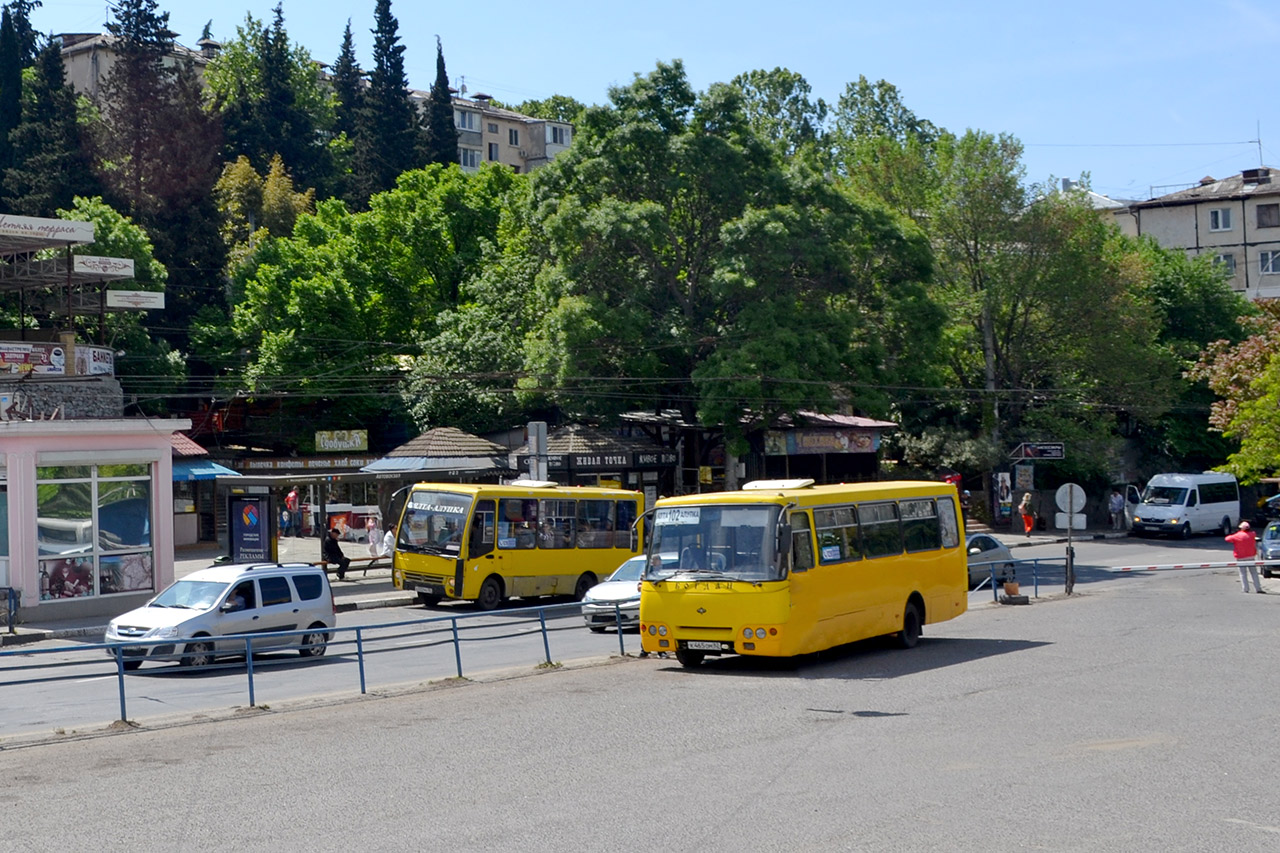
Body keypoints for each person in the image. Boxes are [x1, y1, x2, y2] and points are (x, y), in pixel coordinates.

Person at [1225, 521, 1265, 594]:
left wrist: (1236, 533)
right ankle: (1258, 588)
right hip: (1251, 556)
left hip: (1240, 557)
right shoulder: (1252, 534)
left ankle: (1245, 589)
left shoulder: (1237, 536)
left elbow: (1227, 538)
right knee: (1254, 573)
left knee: (1243, 574)